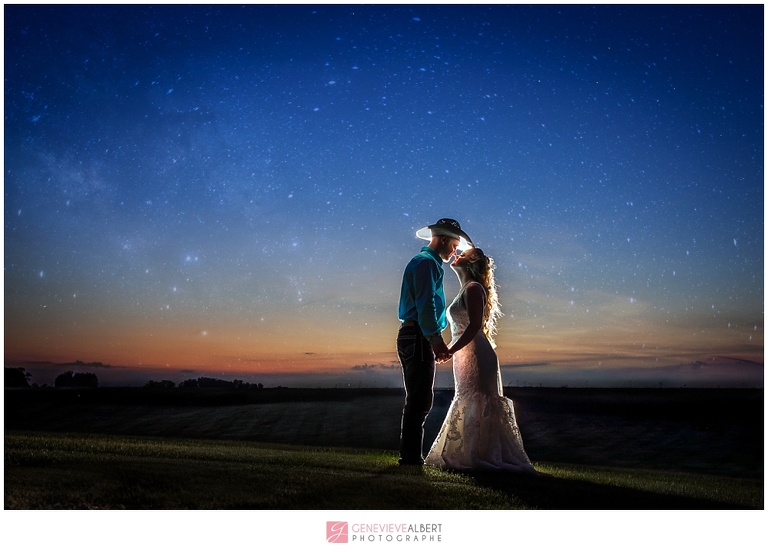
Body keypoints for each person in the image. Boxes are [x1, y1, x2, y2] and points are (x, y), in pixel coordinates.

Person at [424, 247, 537, 473]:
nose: (456, 255)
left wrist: (449, 349)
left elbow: (474, 325)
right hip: (464, 352)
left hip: (474, 352)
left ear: (472, 263)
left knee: (479, 399)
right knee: (466, 397)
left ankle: (482, 454)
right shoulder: (466, 289)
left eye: (462, 254)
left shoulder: (474, 288)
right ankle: (469, 451)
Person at [397, 218, 474, 466]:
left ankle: (410, 455)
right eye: (454, 245)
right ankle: (410, 458)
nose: (454, 251)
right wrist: (435, 339)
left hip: (415, 334)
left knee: (419, 397)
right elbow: (426, 304)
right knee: (419, 399)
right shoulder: (426, 263)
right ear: (442, 239)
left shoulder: (427, 263)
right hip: (418, 334)